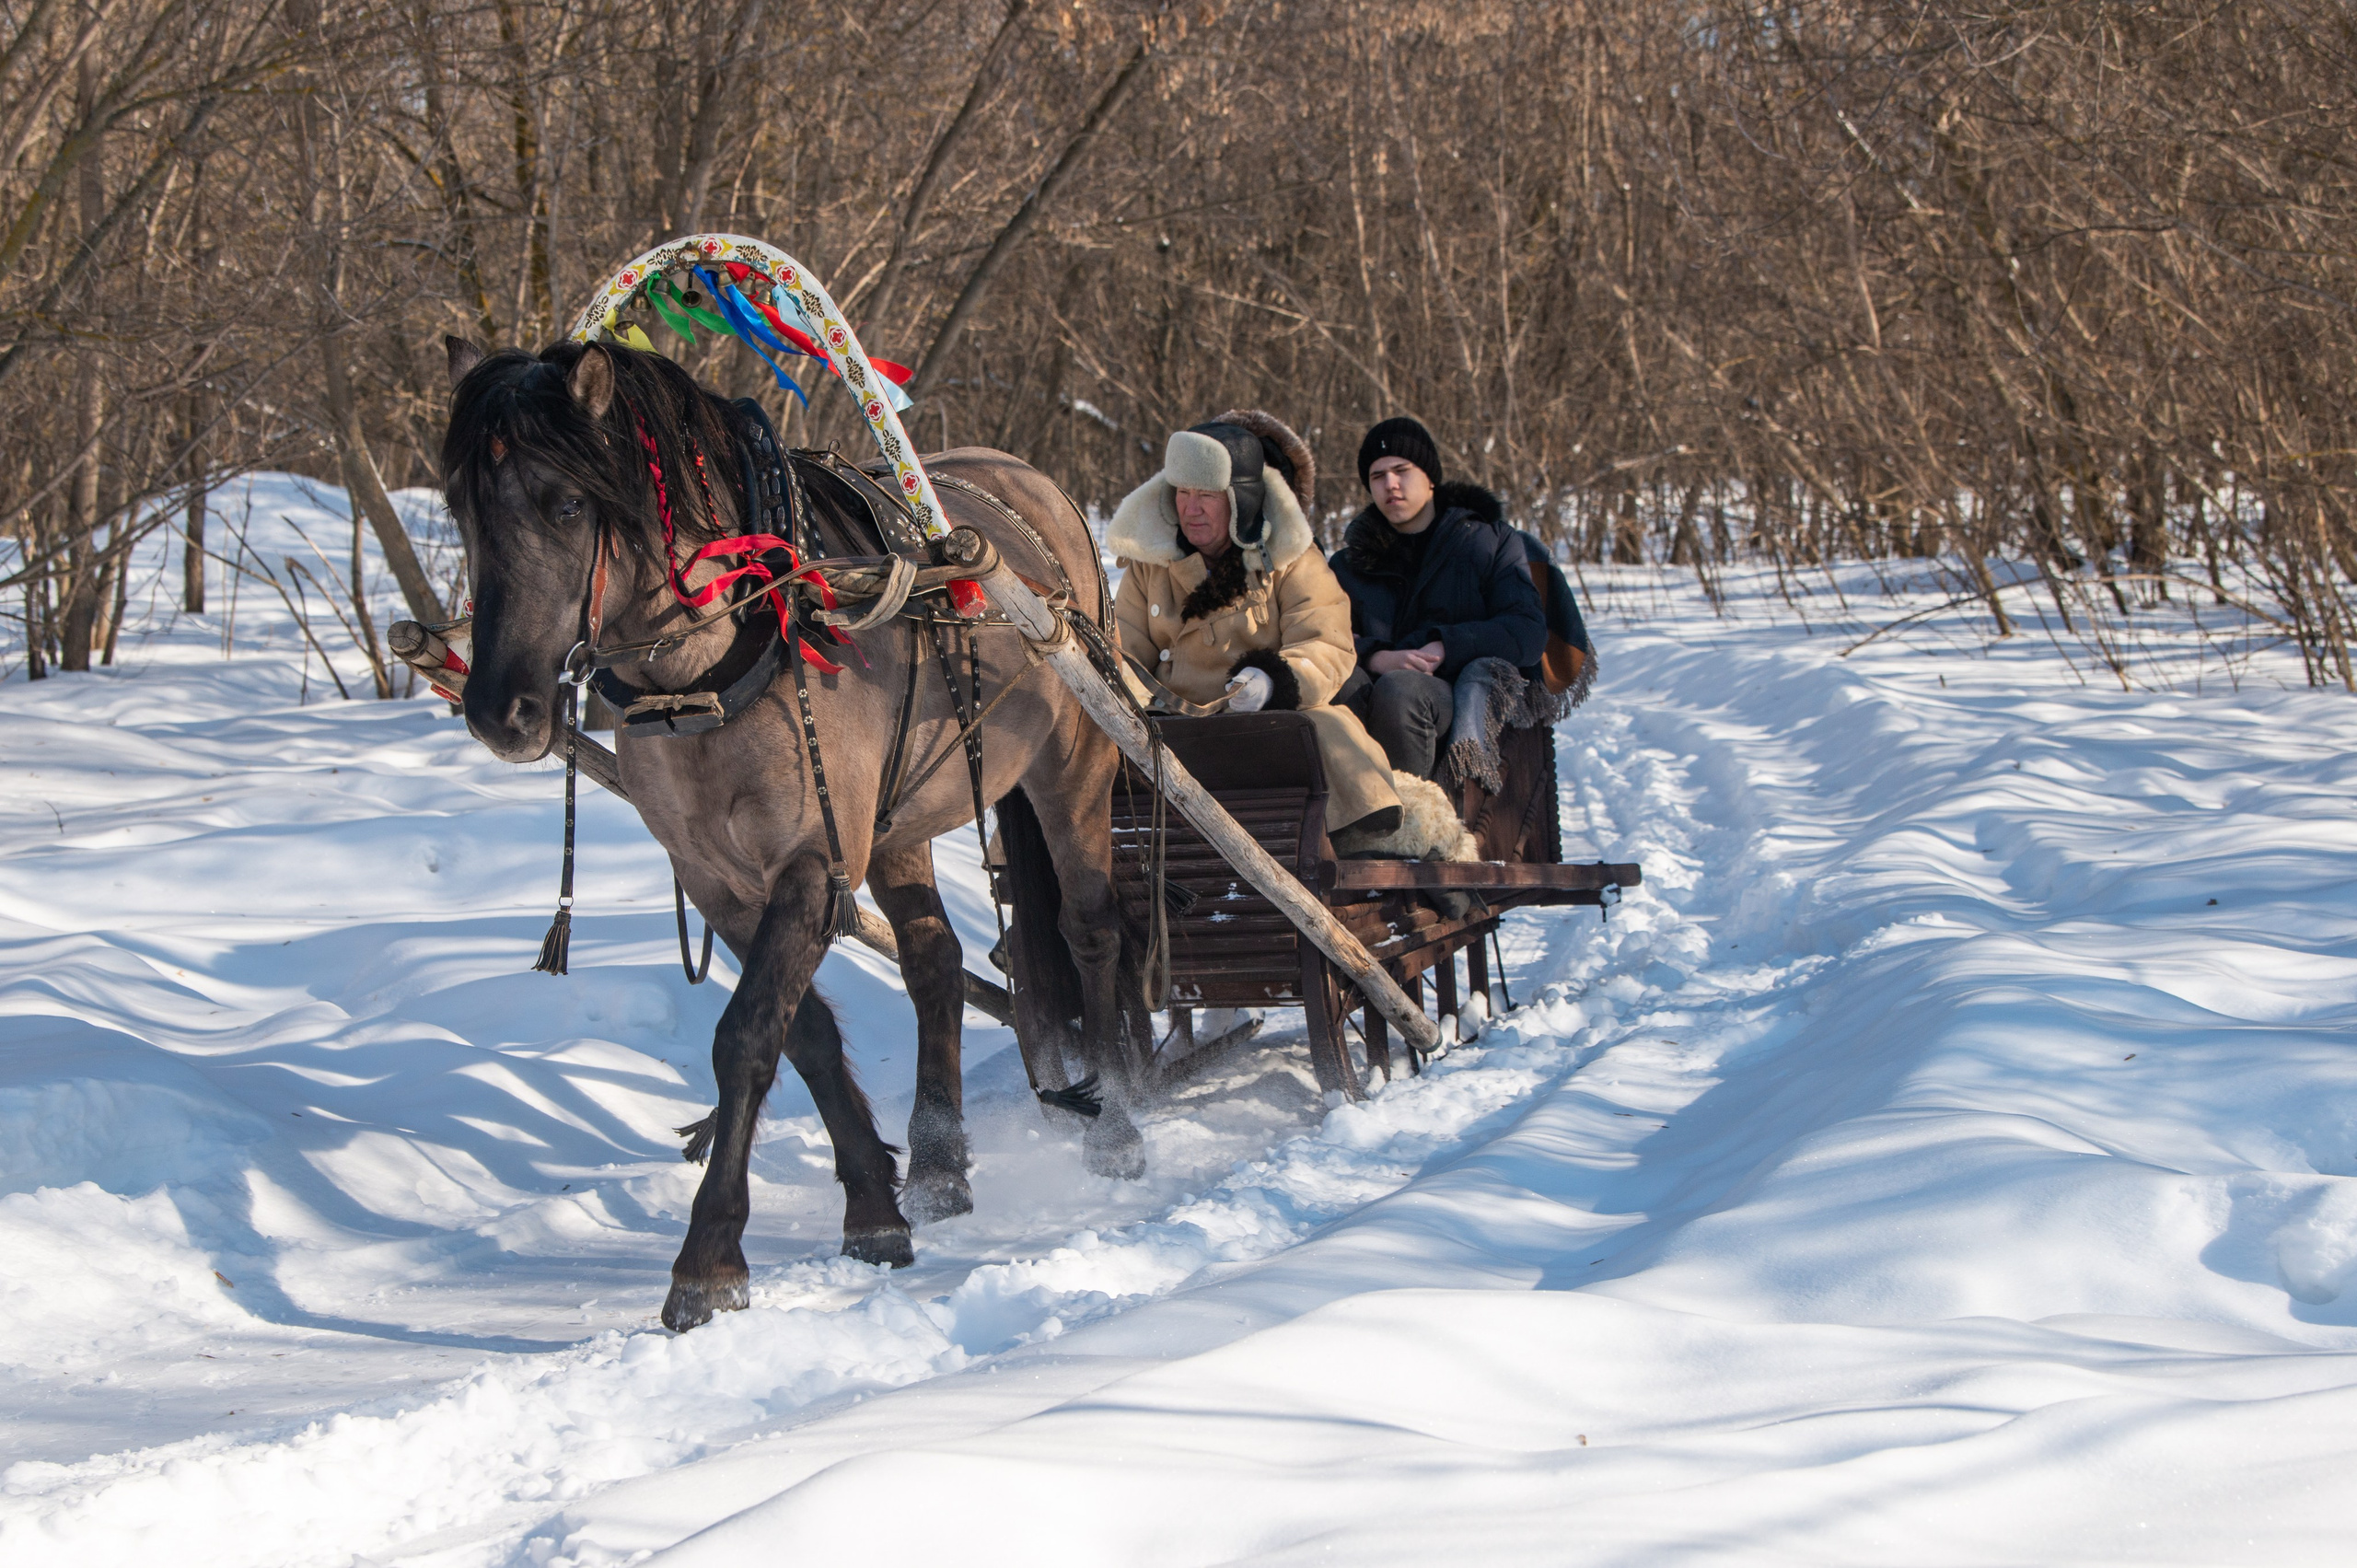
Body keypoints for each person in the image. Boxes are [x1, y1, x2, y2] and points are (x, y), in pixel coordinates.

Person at [1109, 410, 1401, 840]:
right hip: (1173, 728)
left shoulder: (1291, 557)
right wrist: (1131, 705)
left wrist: (1272, 681)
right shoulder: (1148, 565)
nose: (1191, 508)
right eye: (1182, 492)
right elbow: (1122, 651)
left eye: (1206, 494)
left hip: (1266, 726)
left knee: (1326, 729)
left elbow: (1327, 642)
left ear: (1240, 498)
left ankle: (1354, 838)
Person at [1329, 416, 1546, 778]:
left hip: (1453, 689)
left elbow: (1527, 630)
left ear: (1430, 477)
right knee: (1334, 686)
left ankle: (1411, 813)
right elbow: (1325, 636)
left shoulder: (1488, 542)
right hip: (1372, 684)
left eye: (1402, 470)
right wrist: (1377, 656)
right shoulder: (1348, 565)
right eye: (1377, 476)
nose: (1390, 484)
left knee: (1401, 690)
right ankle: (1341, 809)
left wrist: (1446, 646)